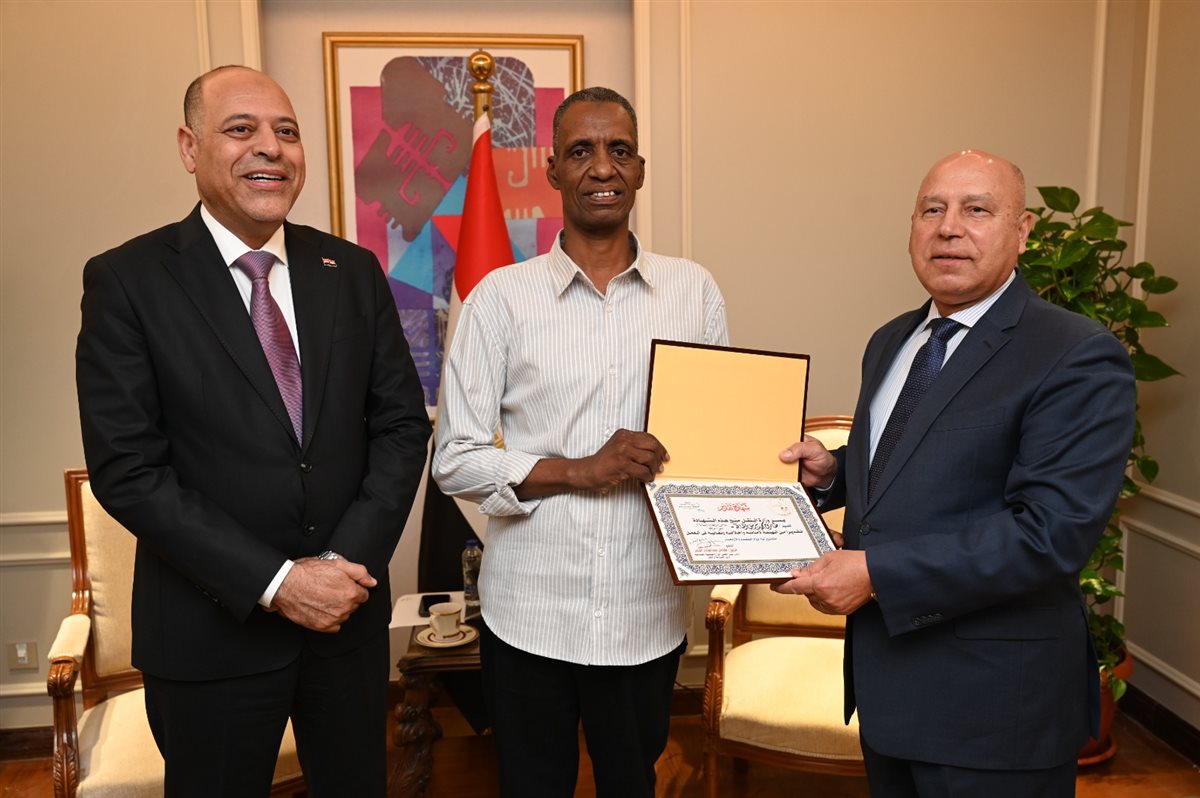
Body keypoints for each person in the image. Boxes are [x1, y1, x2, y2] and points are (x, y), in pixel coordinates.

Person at [75, 65, 431, 797]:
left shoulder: (352, 270)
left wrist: (340, 568)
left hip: (346, 628)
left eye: (286, 132)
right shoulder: (128, 281)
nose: (270, 147)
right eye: (241, 129)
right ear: (190, 147)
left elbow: (401, 427)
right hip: (211, 640)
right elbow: (129, 471)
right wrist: (279, 583)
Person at [776, 149, 1136, 797]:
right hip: (889, 694)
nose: (948, 228)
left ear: (1022, 231)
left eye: (977, 210)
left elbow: (1048, 534)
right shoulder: (892, 340)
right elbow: (917, 462)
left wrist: (874, 573)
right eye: (932, 210)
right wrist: (834, 473)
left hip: (995, 712)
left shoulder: (1076, 353)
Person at [432, 87, 729, 797]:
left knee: (632, 784)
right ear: (553, 171)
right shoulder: (499, 298)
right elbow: (455, 459)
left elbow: (718, 446)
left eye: (619, 150)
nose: (602, 167)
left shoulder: (694, 292)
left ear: (640, 169)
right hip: (529, 614)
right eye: (581, 151)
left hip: (644, 613)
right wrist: (581, 469)